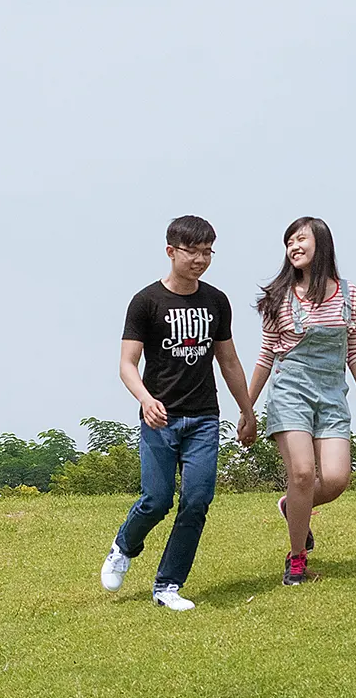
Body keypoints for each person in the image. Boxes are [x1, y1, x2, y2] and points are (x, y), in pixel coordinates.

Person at [100, 216, 257, 610]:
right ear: (171, 251)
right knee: (156, 500)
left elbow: (229, 361)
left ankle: (167, 585)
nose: (201, 260)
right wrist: (145, 399)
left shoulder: (216, 301)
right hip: (160, 418)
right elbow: (127, 364)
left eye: (208, 252)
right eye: (193, 252)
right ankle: (124, 545)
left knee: (197, 500)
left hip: (203, 417)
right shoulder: (146, 302)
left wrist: (247, 410)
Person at [247, 217, 356, 585]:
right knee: (303, 473)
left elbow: (354, 351)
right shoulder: (279, 297)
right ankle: (297, 561)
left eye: (300, 239)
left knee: (336, 479)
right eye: (289, 241)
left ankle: (292, 505)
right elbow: (266, 355)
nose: (293, 246)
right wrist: (247, 408)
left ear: (321, 244)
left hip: (332, 395)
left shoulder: (349, 295)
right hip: (290, 391)